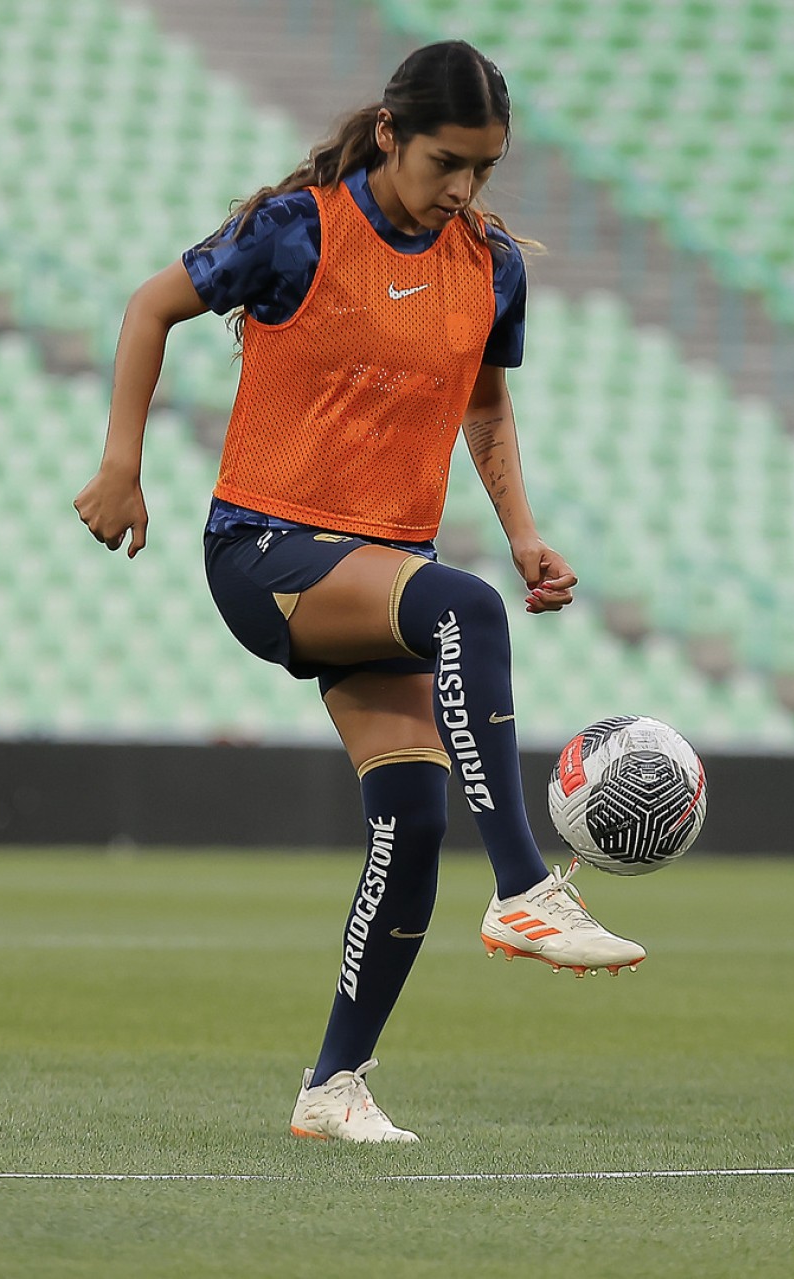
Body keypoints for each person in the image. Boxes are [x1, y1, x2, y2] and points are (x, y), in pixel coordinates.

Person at [73, 41, 645, 1144]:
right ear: (390, 134)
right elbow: (150, 307)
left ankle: (334, 1086)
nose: (464, 189)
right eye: (446, 163)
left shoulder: (490, 265)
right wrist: (120, 465)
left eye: (484, 168)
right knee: (464, 608)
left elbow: (484, 404)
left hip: (376, 570)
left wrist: (524, 534)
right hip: (266, 550)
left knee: (414, 817)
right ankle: (526, 889)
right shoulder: (298, 230)